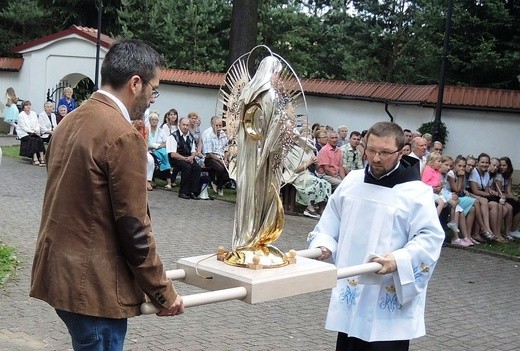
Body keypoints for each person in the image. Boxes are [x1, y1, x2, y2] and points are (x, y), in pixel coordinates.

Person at [30, 39, 184, 351]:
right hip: (95, 290)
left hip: (61, 275)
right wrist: (163, 292)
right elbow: (134, 229)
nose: (152, 99)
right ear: (135, 83)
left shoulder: (69, 122)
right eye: (154, 90)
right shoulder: (122, 135)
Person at [308, 121, 444, 350]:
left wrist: (399, 260)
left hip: (387, 295)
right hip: (353, 290)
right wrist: (324, 244)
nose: (376, 158)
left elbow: (429, 238)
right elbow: (331, 220)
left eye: (385, 152)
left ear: (401, 152)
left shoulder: (416, 193)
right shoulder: (352, 181)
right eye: (371, 150)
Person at [282, 134, 331, 218]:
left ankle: (321, 208)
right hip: (296, 175)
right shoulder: (290, 151)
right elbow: (296, 169)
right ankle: (309, 208)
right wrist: (309, 162)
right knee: (316, 183)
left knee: (326, 184)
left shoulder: (308, 150)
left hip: (308, 174)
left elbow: (316, 168)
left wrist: (315, 163)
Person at [166, 116, 202, 199]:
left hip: (188, 157)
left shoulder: (191, 136)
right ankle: (183, 192)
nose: (185, 127)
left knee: (197, 167)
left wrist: (192, 157)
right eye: (184, 125)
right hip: (176, 158)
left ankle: (193, 191)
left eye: (187, 125)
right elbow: (173, 154)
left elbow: (193, 151)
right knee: (187, 167)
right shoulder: (173, 136)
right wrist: (185, 159)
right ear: (179, 125)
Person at [202, 116, 230, 196]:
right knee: (221, 168)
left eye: (220, 126)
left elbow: (226, 148)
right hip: (210, 158)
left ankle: (216, 182)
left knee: (231, 168)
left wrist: (225, 158)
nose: (218, 128)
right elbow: (209, 153)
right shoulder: (208, 134)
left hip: (221, 157)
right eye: (216, 125)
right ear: (212, 125)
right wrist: (221, 161)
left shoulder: (222, 134)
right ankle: (220, 187)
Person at [16, 100, 45, 166]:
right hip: (24, 133)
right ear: (23, 107)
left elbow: (37, 124)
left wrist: (37, 131)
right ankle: (35, 159)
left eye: (29, 105)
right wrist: (33, 132)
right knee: (32, 140)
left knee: (39, 140)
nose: (28, 106)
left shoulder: (33, 113)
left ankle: (42, 158)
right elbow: (23, 127)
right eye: (26, 105)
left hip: (34, 132)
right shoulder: (21, 115)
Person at [498, 156, 520, 238]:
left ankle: (513, 229)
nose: (502, 167)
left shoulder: (508, 176)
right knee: (516, 206)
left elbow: (509, 191)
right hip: (499, 197)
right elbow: (499, 192)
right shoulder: (498, 176)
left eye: (504, 165)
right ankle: (511, 230)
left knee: (517, 203)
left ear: (508, 166)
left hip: (505, 196)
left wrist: (514, 197)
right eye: (501, 165)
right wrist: (513, 198)